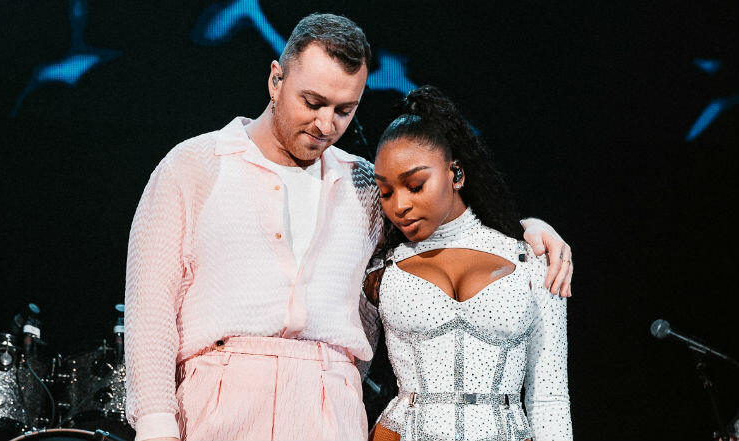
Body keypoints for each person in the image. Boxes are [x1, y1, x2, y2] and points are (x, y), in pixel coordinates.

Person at [124, 14, 573, 441]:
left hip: (332, 405)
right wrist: (156, 424)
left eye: (344, 110)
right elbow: (150, 310)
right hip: (220, 400)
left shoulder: (366, 184)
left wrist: (524, 230)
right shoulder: (195, 166)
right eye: (312, 102)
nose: (326, 124)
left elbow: (440, 232)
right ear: (276, 80)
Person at [365, 85, 572, 441]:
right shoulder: (379, 270)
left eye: (415, 185)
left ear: (456, 174)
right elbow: (346, 373)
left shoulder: (532, 260)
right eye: (386, 192)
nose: (399, 206)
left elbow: (549, 397)